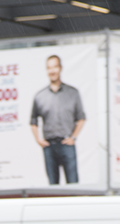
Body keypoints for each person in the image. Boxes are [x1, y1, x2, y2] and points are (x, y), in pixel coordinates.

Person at [30, 55, 86, 185]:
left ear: (60, 68)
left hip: (66, 144)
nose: (52, 71)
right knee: (53, 186)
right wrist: (38, 139)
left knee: (73, 185)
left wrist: (73, 137)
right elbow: (33, 121)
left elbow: (81, 118)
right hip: (49, 146)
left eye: (54, 67)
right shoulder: (40, 96)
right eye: (49, 68)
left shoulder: (72, 93)